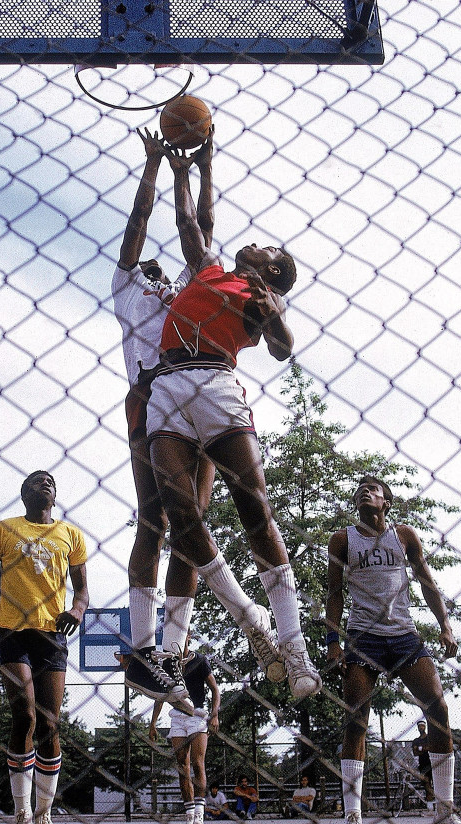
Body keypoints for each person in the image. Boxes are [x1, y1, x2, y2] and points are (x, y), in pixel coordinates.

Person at [115, 129, 283, 710]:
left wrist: (204, 167)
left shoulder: (199, 287)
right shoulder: (130, 286)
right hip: (151, 397)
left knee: (195, 523)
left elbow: (202, 228)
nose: (164, 278)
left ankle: (174, 649)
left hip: (198, 389)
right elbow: (141, 225)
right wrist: (156, 169)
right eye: (155, 273)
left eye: (171, 275)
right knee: (153, 519)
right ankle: (145, 649)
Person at [147, 142, 321, 699]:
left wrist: (277, 324)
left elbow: (281, 349)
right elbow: (192, 221)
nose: (253, 239)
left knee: (255, 511)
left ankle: (295, 648)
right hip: (167, 385)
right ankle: (250, 619)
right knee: (181, 515)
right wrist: (193, 168)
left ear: (271, 268)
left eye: (266, 246)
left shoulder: (260, 293)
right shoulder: (210, 271)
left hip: (218, 386)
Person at [324, 476, 459, 824]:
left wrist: (445, 625)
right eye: (360, 489)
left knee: (439, 710)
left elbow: (426, 581)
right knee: (356, 721)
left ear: (386, 502)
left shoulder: (403, 536)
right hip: (361, 638)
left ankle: (445, 810)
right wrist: (333, 642)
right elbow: (334, 593)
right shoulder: (342, 540)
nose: (365, 491)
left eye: (373, 489)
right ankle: (352, 814)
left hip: (403, 635)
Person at [0, 470, 89, 824]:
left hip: (52, 634)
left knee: (49, 725)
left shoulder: (71, 535)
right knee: (25, 717)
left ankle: (44, 812)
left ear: (55, 493)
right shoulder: (3, 530)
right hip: (11, 632)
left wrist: (77, 610)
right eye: (36, 480)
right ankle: (22, 810)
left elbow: (82, 590)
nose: (45, 483)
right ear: (23, 493)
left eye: (50, 480)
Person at [149, 652, 220, 824]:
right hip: (177, 717)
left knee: (197, 763)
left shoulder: (200, 660)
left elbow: (215, 689)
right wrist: (153, 723)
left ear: (188, 635)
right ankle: (189, 812)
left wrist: (215, 714)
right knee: (182, 764)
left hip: (197, 715)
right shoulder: (167, 662)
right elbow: (161, 695)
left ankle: (199, 812)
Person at [412, 722, 435, 810]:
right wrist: (424, 748)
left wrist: (420, 748)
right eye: (419, 726)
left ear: (425, 727)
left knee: (435, 783)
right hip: (423, 764)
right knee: (426, 784)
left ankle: (436, 803)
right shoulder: (416, 740)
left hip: (432, 763)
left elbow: (431, 747)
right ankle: (430, 805)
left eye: (422, 726)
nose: (421, 728)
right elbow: (415, 752)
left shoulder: (430, 738)